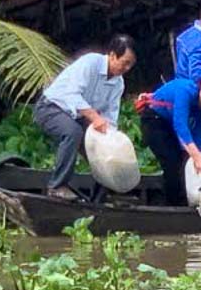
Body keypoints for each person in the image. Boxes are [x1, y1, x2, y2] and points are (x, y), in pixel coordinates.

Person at [32, 36, 136, 199]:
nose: (127, 68)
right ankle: (56, 186)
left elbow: (110, 115)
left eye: (130, 65)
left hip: (79, 116)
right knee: (73, 133)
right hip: (51, 108)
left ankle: (99, 198)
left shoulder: (118, 83)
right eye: (125, 62)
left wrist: (110, 139)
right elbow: (72, 95)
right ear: (112, 55)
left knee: (104, 150)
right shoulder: (90, 63)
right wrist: (95, 117)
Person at [137, 73, 201, 206]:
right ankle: (173, 205)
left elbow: (200, 133)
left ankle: (193, 201)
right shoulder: (184, 91)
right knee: (171, 162)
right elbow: (180, 125)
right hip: (155, 120)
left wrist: (200, 155)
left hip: (171, 124)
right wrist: (195, 156)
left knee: (186, 162)